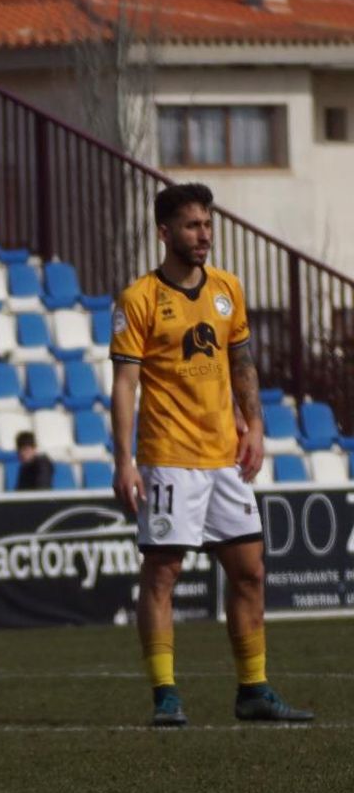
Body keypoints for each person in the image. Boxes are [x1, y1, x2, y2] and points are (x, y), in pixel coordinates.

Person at [110, 182, 311, 727]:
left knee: (249, 572)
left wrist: (255, 427)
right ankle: (166, 695)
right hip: (169, 456)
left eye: (207, 224)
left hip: (224, 457)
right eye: (193, 225)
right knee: (163, 573)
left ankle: (253, 690)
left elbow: (242, 364)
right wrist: (124, 460)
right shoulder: (139, 299)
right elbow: (125, 384)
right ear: (164, 232)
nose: (204, 235)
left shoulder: (228, 289)